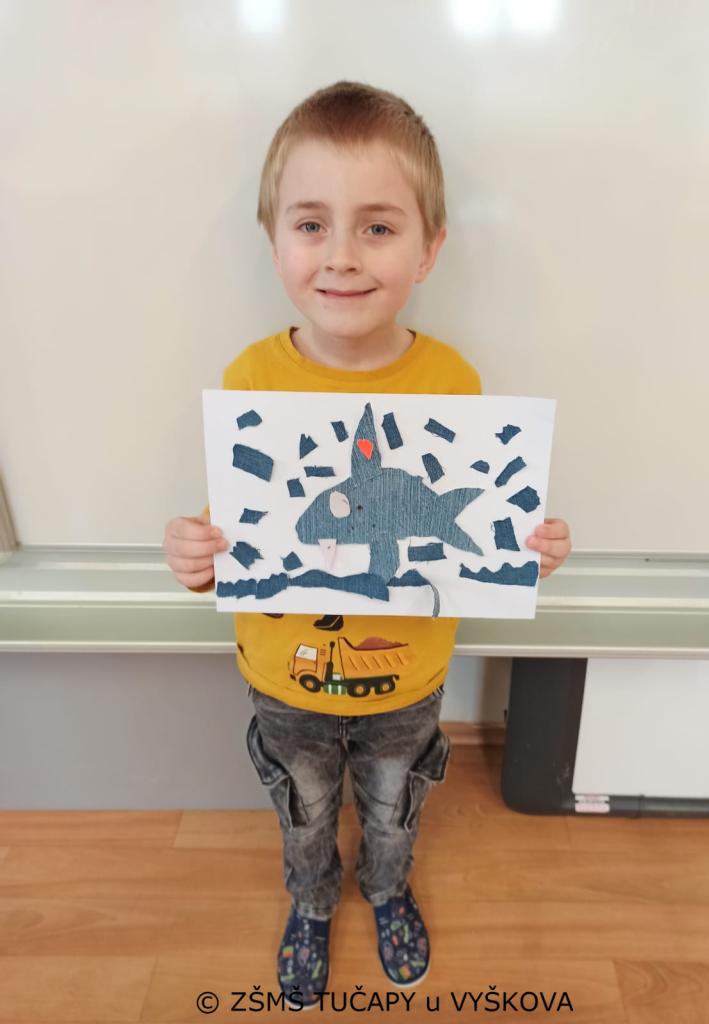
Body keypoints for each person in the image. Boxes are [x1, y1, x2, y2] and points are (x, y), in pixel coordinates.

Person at [164, 80, 572, 1009]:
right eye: (312, 224)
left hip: (407, 682)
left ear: (427, 249)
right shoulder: (250, 378)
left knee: (394, 806)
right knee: (303, 809)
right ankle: (312, 902)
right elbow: (243, 525)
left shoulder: (453, 382)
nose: (342, 255)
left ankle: (385, 889)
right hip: (284, 681)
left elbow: (475, 527)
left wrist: (525, 549)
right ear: (274, 238)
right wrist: (194, 555)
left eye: (377, 227)